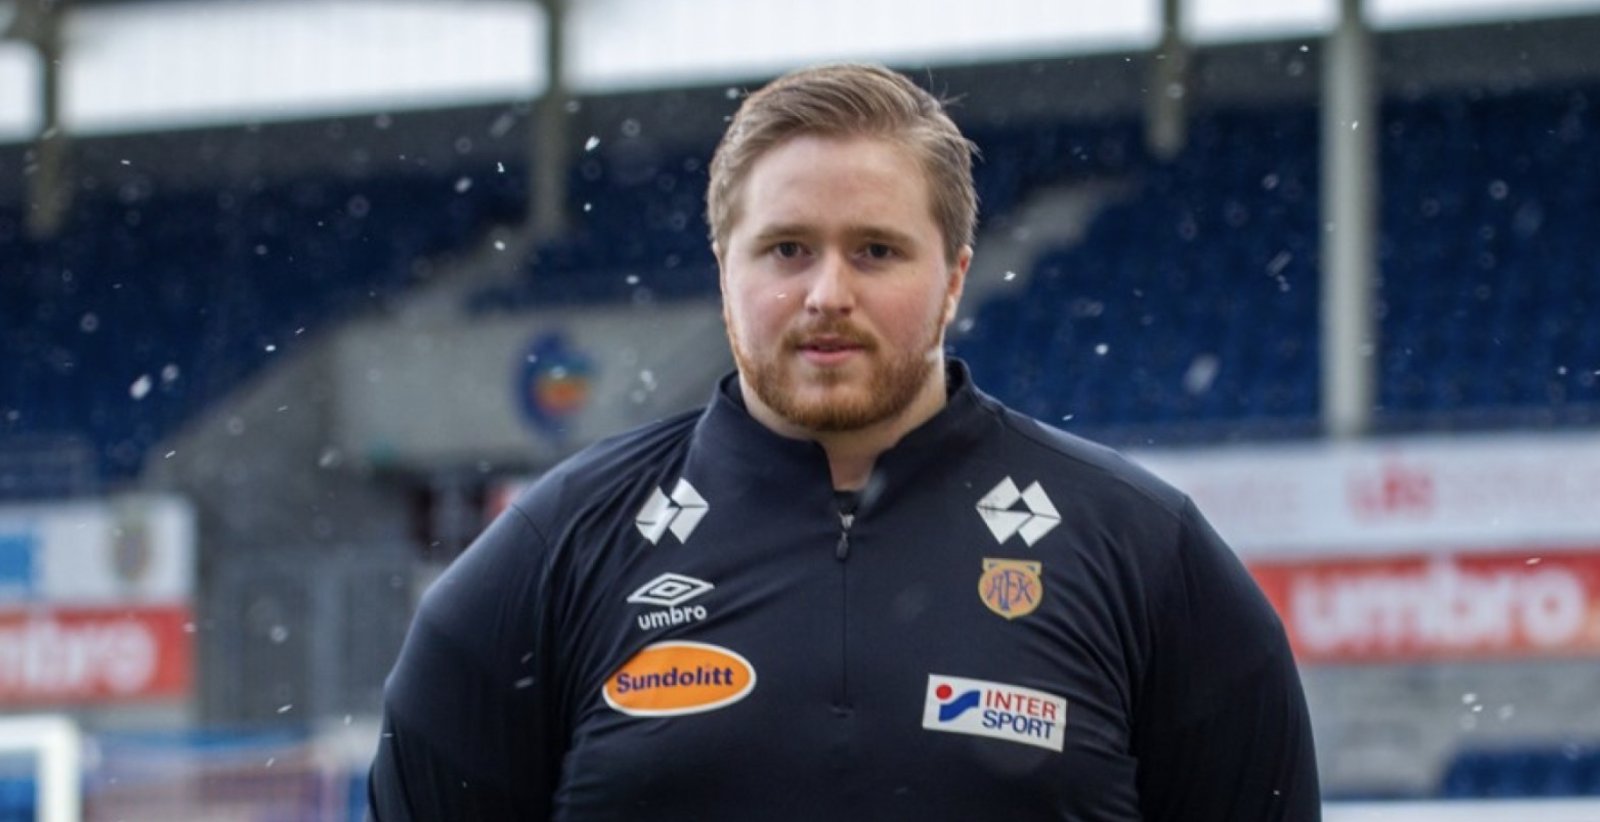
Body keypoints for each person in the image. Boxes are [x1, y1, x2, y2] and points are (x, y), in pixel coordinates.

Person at [368, 62, 1321, 821]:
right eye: (787, 249)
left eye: (876, 250)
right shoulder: (553, 555)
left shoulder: (1145, 555)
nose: (828, 293)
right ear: (725, 270)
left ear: (954, 278)